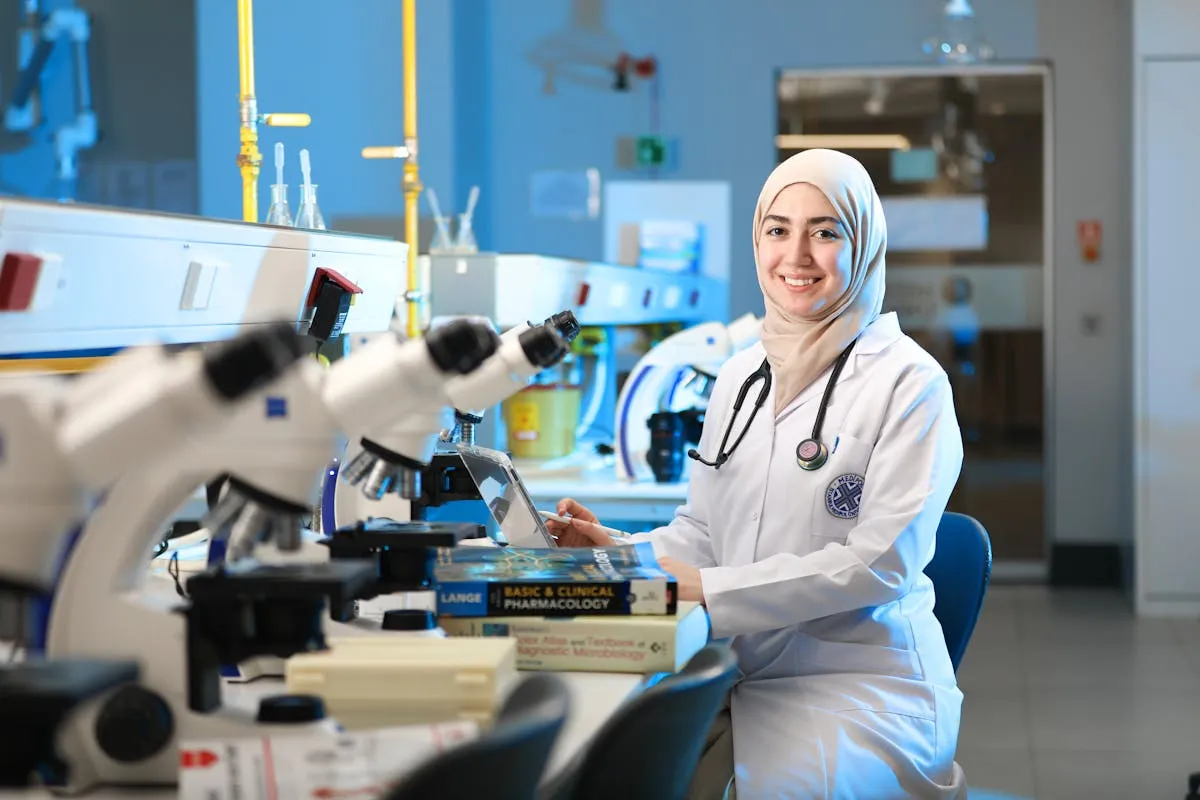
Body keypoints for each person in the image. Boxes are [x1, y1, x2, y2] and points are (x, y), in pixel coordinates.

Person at [546, 149, 967, 799]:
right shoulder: (743, 375)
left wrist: (707, 592)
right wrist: (622, 555)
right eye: (778, 229)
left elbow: (881, 563)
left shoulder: (910, 383)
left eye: (825, 232)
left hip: (858, 688)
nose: (795, 255)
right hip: (739, 673)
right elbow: (703, 534)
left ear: (865, 244)